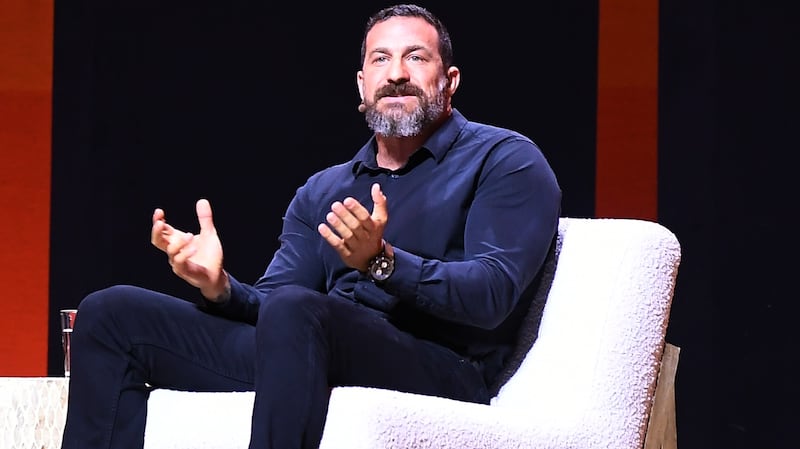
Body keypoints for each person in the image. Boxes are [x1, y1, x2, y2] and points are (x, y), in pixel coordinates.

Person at [60, 3, 562, 449]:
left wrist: (383, 262)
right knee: (111, 315)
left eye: (416, 57)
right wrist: (222, 290)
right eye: (380, 60)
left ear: (448, 81)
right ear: (362, 84)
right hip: (312, 344)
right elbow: (276, 306)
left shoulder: (504, 160)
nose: (396, 74)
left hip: (446, 366)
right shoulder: (326, 189)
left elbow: (492, 294)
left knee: (303, 312)